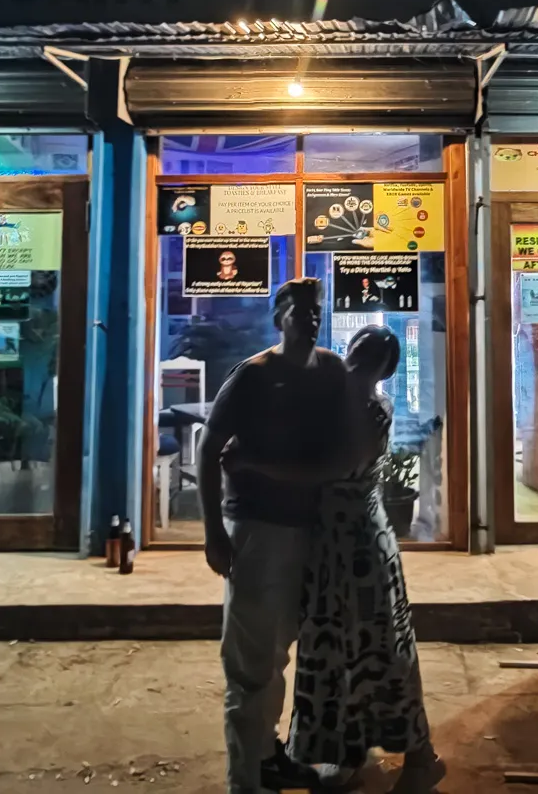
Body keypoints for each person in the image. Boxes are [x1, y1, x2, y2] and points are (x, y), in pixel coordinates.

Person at [228, 326, 445, 792]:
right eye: (358, 349)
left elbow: (328, 471)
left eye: (371, 356)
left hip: (361, 546)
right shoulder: (338, 403)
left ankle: (420, 755)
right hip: (333, 542)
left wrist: (253, 465)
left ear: (384, 370)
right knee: (334, 651)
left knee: (381, 650)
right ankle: (345, 749)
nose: (357, 360)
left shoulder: (371, 410)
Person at [198, 278, 349, 794]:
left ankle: (267, 756)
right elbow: (209, 446)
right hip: (258, 531)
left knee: (281, 651)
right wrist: (214, 531)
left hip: (310, 532)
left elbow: (341, 452)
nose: (311, 319)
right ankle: (247, 779)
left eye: (317, 311)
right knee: (250, 664)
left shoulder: (330, 371)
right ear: (278, 317)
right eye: (300, 310)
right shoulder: (254, 376)